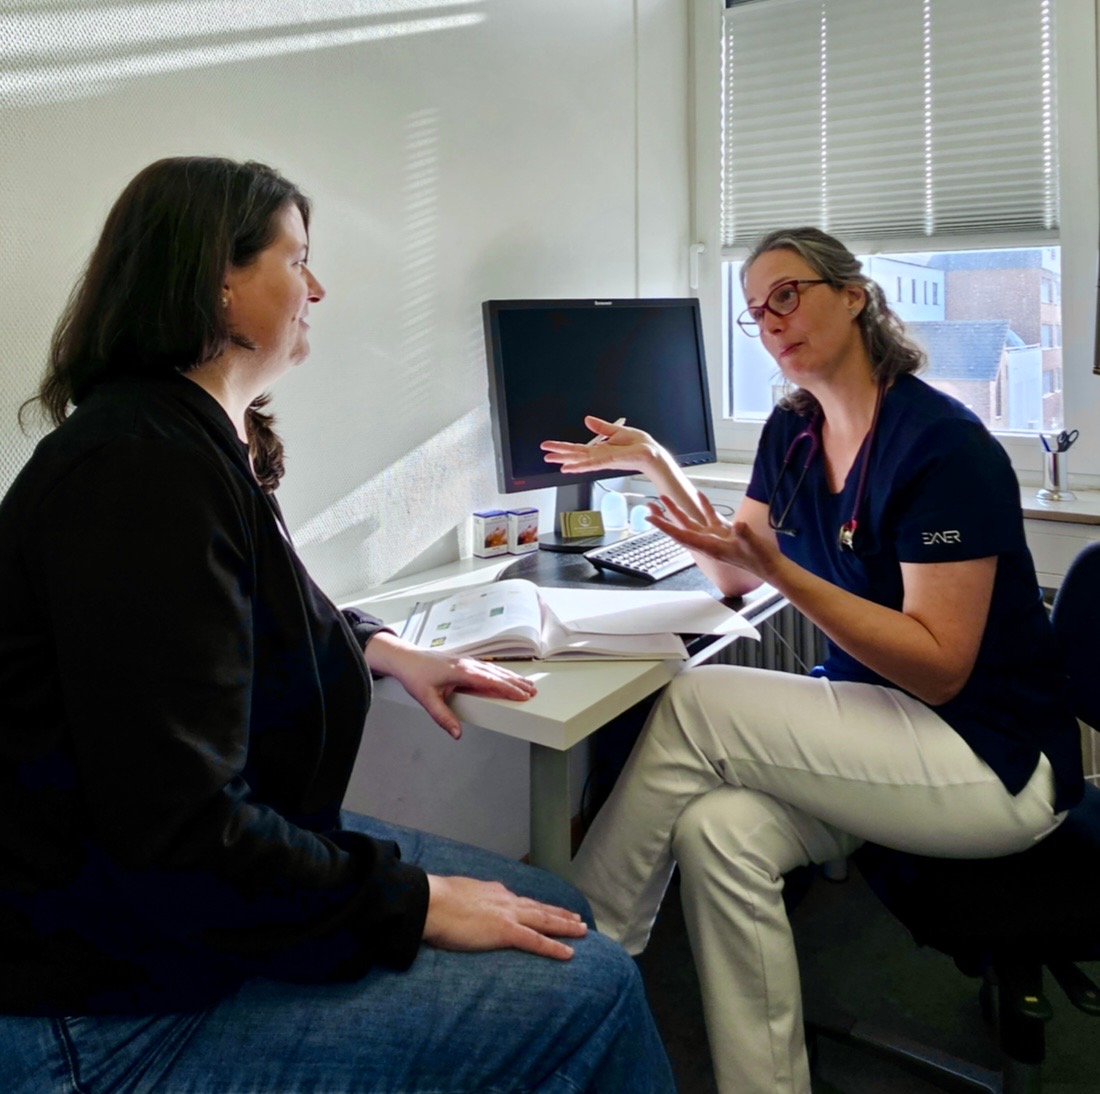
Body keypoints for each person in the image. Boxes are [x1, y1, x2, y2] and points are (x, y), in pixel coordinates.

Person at [0, 156, 676, 1093]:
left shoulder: (188, 442)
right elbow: (178, 837)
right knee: (594, 986)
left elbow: (245, 609)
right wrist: (412, 902)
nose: (316, 289)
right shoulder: (139, 477)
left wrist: (379, 646)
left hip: (180, 906)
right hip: (112, 1008)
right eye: (296, 260)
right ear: (218, 278)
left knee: (557, 902)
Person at [540, 226, 1085, 1094]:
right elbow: (732, 570)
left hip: (990, 758)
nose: (770, 322)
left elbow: (940, 667)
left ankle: (579, 955)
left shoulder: (945, 447)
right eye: (756, 312)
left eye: (787, 296)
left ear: (855, 296)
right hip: (881, 735)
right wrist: (656, 462)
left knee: (696, 702)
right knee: (717, 832)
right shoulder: (794, 431)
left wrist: (785, 574)